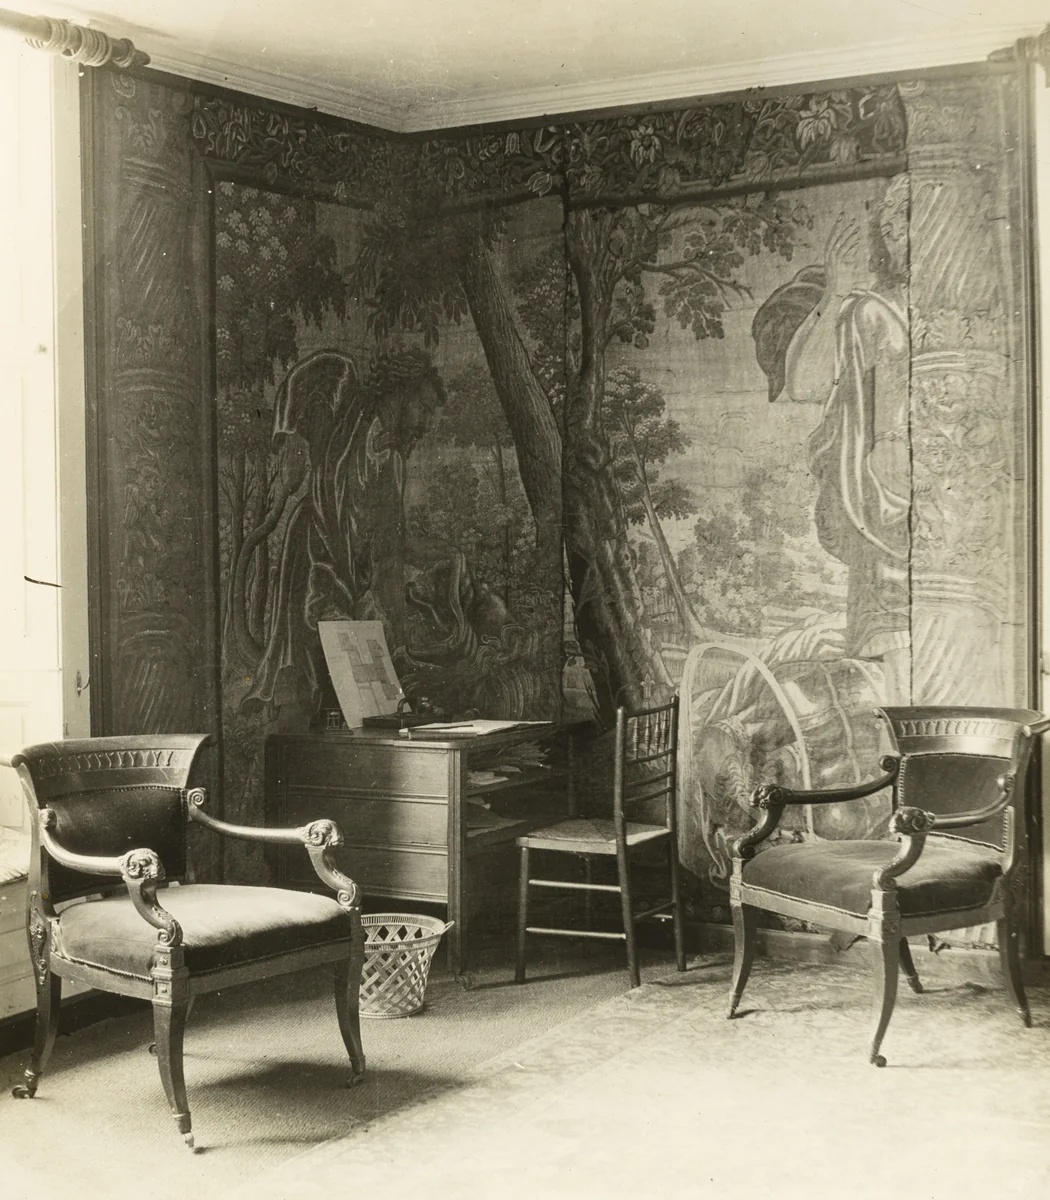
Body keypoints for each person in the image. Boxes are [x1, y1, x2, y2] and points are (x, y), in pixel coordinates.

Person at [752, 173, 911, 701]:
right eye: (889, 222)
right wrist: (838, 292)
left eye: (906, 219)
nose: (899, 233)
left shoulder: (892, 309)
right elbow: (804, 383)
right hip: (879, 499)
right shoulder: (864, 311)